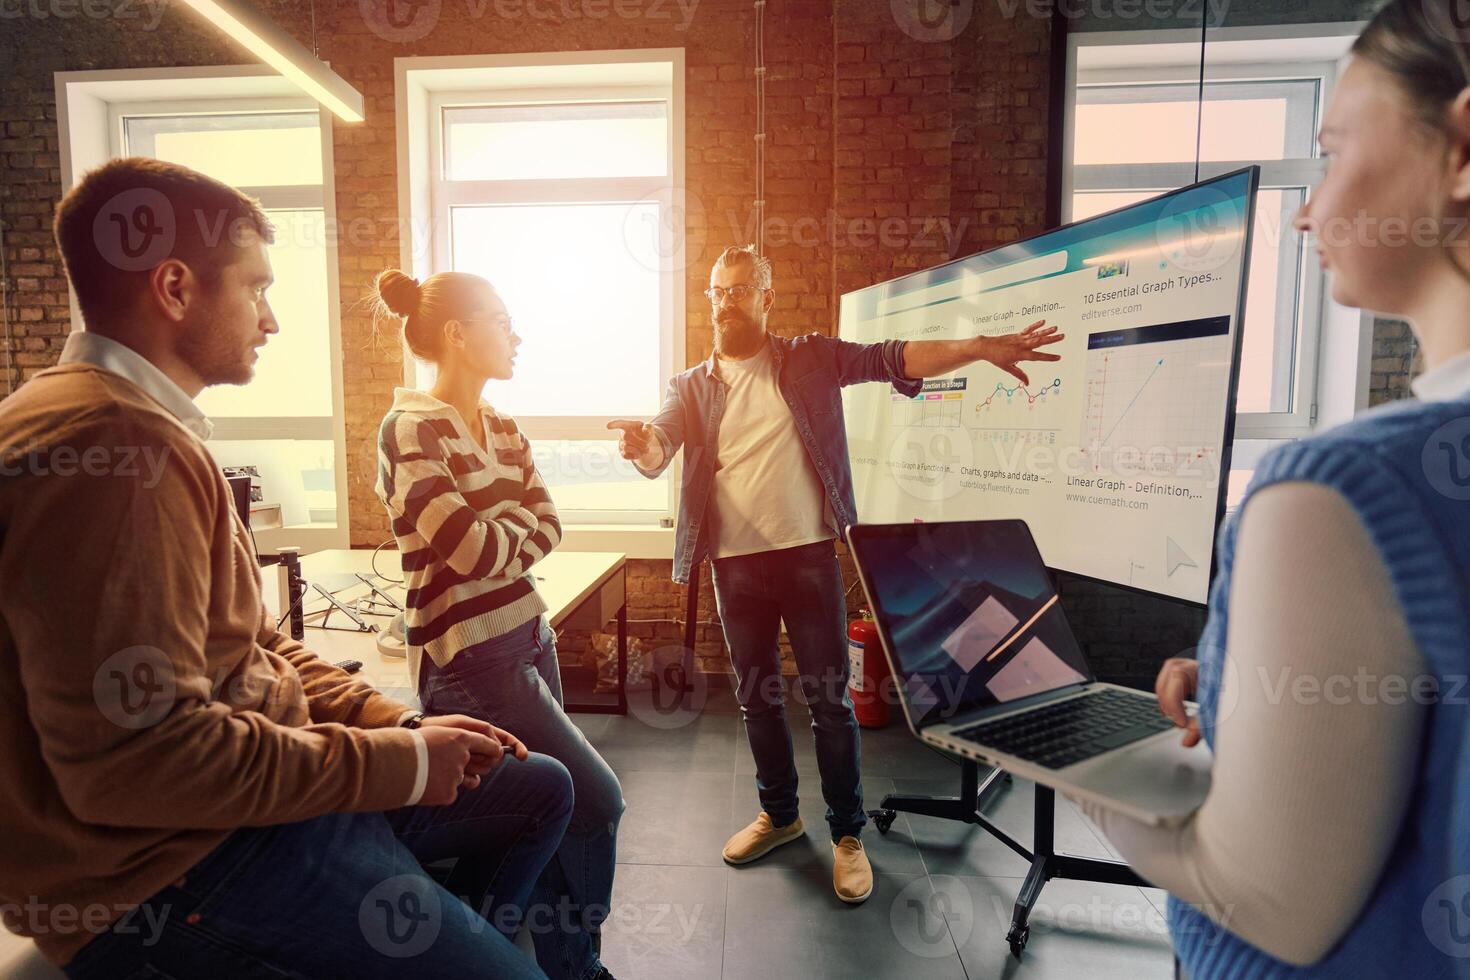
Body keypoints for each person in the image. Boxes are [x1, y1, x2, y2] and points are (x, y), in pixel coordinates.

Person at [0, 157, 576, 979]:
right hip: (179, 873)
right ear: (174, 288)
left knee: (539, 789)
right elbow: (140, 769)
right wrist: (399, 764)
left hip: (257, 799)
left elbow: (256, 645)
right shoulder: (117, 449)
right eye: (256, 289)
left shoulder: (122, 420)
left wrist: (396, 725)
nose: (270, 322)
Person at [1080, 3, 1470, 976]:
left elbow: (1261, 903)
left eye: (1333, 150)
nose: (1306, 209)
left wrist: (1070, 756)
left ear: (1462, 148)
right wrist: (1248, 682)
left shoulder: (1334, 488)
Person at [609, 243, 1064, 903]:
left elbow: (892, 358)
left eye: (739, 289)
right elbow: (659, 447)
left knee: (828, 700)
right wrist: (641, 445)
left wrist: (980, 346)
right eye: (717, 291)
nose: (726, 302)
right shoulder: (691, 386)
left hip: (809, 557)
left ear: (766, 298)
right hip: (733, 568)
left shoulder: (811, 359)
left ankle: (848, 835)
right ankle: (781, 816)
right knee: (757, 699)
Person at [374, 268, 623, 980]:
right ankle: (561, 964)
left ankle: (564, 963)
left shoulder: (504, 428)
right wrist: (509, 525)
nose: (517, 336)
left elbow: (550, 526)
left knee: (546, 818)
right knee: (597, 801)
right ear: (458, 333)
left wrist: (502, 527)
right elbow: (470, 549)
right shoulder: (409, 429)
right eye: (503, 321)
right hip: (474, 665)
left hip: (530, 641)